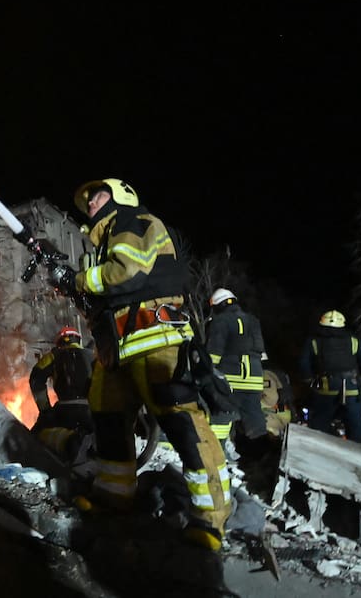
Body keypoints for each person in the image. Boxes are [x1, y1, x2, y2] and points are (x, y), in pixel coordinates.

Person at [47, 178, 231, 551]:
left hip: (157, 342)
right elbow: (100, 296)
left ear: (121, 196)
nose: (91, 203)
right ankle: (114, 496)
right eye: (89, 200)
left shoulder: (135, 222)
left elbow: (128, 270)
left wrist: (79, 279)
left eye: (98, 195)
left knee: (182, 424)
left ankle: (210, 519)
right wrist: (70, 284)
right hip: (115, 350)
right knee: (108, 419)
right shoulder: (101, 246)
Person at [296, 310, 361, 443]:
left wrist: (309, 381)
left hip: (326, 389)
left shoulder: (313, 342)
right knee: (356, 428)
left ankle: (315, 448)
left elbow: (303, 363)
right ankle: (357, 451)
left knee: (319, 426)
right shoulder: (353, 341)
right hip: (351, 389)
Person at [205, 288, 268, 456]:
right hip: (255, 377)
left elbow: (214, 353)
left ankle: (217, 450)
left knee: (222, 413)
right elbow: (261, 352)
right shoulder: (253, 320)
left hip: (231, 377)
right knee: (254, 416)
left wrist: (206, 370)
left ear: (218, 306)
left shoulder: (220, 321)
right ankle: (260, 456)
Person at [28, 326, 94, 462]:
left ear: (60, 342)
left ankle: (69, 442)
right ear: (78, 340)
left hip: (65, 409)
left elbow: (36, 378)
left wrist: (45, 409)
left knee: (36, 434)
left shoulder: (55, 355)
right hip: (90, 411)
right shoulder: (92, 356)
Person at [260, 360, 294, 437]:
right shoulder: (270, 371)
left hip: (277, 413)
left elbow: (271, 400)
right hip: (280, 412)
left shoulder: (265, 374)